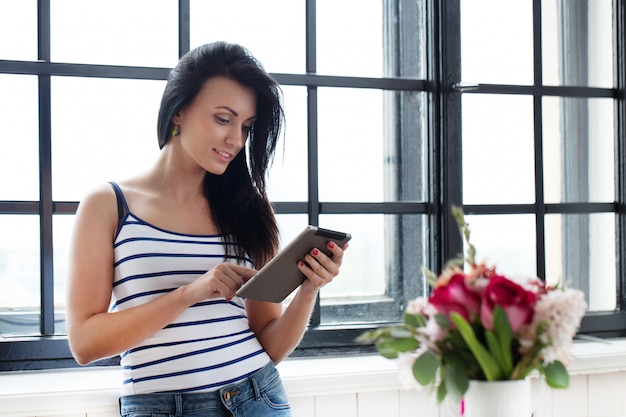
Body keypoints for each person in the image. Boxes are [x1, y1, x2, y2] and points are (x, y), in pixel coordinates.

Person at [66, 41, 348, 417]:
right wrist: (190, 293)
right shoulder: (108, 205)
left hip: (256, 398)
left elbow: (270, 345)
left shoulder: (250, 209)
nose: (236, 140)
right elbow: (85, 343)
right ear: (179, 111)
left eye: (246, 126)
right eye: (223, 119)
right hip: (159, 408)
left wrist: (308, 290)